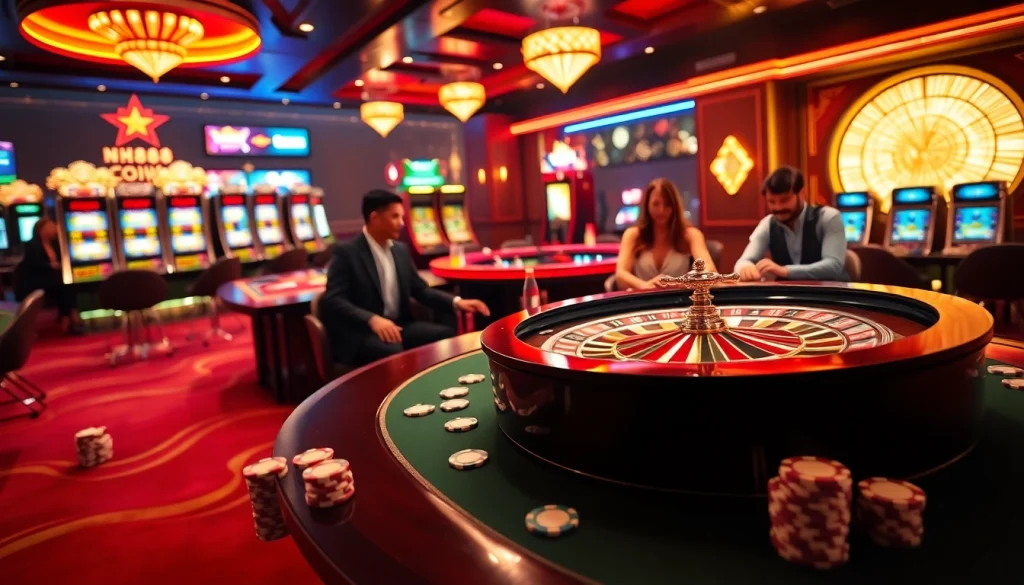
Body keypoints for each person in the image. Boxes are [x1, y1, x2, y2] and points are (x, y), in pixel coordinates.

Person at [321, 189, 490, 366]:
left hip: (400, 326)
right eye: (395, 217)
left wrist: (456, 302)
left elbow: (421, 290)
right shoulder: (346, 253)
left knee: (444, 336)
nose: (402, 223)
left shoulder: (400, 250)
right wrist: (372, 319)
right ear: (374, 218)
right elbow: (333, 300)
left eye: (402, 217)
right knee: (392, 350)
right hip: (362, 332)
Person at [734, 166, 849, 282]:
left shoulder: (829, 217)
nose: (778, 207)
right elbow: (743, 261)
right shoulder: (767, 224)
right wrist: (744, 267)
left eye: (784, 200)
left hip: (830, 295)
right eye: (771, 201)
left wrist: (784, 271)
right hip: (788, 296)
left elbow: (833, 267)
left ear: (802, 194)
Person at [615, 178, 717, 290]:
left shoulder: (691, 235)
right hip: (642, 301)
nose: (661, 210)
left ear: (675, 206)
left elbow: (710, 270)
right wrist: (644, 285)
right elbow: (620, 275)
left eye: (667, 205)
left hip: (680, 301)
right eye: (655, 204)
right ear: (647, 205)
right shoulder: (633, 235)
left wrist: (684, 282)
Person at [15, 218, 82, 334]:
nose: (54, 229)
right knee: (63, 287)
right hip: (35, 280)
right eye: (51, 227)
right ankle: (70, 317)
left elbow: (62, 260)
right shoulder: (32, 244)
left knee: (67, 285)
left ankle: (67, 317)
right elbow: (34, 264)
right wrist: (52, 266)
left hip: (51, 279)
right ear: (41, 229)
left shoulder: (55, 243)